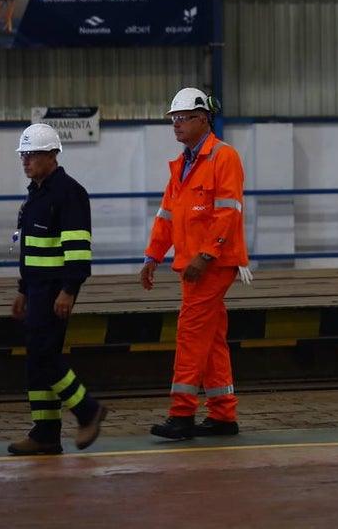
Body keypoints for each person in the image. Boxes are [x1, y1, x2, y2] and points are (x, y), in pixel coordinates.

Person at [140, 87, 251, 440]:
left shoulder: (223, 157)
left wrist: (206, 255)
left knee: (190, 335)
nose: (176, 125)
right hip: (194, 264)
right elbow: (167, 216)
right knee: (211, 338)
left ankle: (182, 414)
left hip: (212, 264)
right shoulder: (183, 165)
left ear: (203, 120)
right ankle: (222, 415)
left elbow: (227, 212)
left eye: (182, 118)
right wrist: (153, 255)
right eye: (173, 119)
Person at [8, 123, 107, 456]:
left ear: (51, 154)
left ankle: (87, 410)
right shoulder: (35, 194)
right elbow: (30, 248)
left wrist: (69, 290)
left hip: (55, 290)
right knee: (35, 361)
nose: (26, 161)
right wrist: (23, 288)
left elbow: (78, 249)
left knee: (45, 355)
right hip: (36, 288)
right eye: (23, 155)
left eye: (32, 154)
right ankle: (46, 433)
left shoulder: (68, 193)